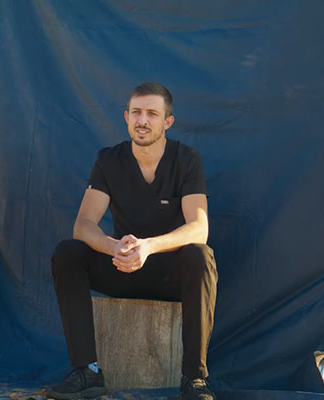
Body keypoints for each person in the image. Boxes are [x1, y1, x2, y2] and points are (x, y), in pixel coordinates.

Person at [47, 82, 218, 400]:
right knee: (68, 252)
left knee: (200, 255)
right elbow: (83, 225)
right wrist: (113, 247)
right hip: (122, 267)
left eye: (152, 114)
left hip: (169, 274)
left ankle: (195, 378)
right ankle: (87, 372)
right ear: (126, 117)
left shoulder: (187, 160)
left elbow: (199, 227)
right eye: (136, 112)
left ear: (168, 121)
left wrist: (148, 246)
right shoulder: (109, 160)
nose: (143, 120)